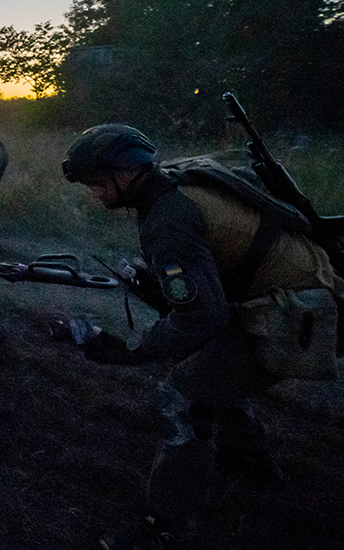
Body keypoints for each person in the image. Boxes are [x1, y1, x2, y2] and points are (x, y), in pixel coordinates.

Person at [62, 124, 343, 549]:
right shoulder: (177, 182)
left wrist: (140, 347)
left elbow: (201, 316)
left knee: (182, 398)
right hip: (299, 289)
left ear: (128, 172)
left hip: (294, 311)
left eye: (100, 183)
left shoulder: (168, 218)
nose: (97, 194)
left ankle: (164, 529)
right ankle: (251, 463)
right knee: (213, 368)